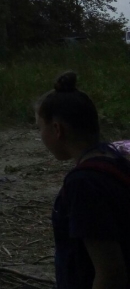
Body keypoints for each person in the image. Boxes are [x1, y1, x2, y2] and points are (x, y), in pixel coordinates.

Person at [37, 71, 130, 289]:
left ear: (57, 129)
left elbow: (111, 275)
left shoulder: (83, 185)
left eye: (39, 127)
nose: (40, 135)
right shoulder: (115, 157)